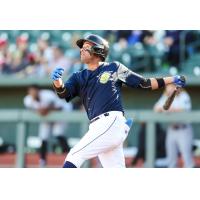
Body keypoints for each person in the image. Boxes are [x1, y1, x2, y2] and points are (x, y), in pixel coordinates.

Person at [51, 34, 186, 168]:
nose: (81, 50)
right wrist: (57, 82)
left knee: (75, 155)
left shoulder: (113, 68)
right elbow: (63, 93)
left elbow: (144, 83)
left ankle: (122, 130)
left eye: (86, 47)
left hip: (109, 122)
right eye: (81, 48)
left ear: (99, 50)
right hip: (98, 127)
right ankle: (123, 130)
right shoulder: (77, 76)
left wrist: (172, 79)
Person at [24, 84, 71, 167]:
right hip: (46, 117)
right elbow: (32, 110)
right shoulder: (27, 99)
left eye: (34, 91)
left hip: (59, 114)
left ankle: (70, 157)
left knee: (58, 134)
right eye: (30, 91)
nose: (32, 93)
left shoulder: (47, 94)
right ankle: (42, 160)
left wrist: (47, 109)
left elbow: (60, 107)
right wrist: (40, 111)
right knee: (43, 137)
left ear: (38, 90)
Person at [154, 84, 194, 168]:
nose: (169, 89)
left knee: (187, 159)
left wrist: (170, 108)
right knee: (171, 160)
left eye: (172, 86)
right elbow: (156, 108)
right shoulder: (166, 96)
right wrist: (164, 107)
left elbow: (185, 109)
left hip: (183, 129)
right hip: (171, 129)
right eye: (168, 87)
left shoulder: (184, 95)